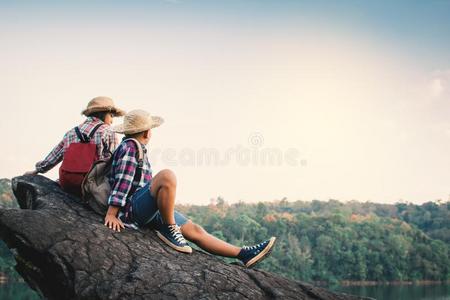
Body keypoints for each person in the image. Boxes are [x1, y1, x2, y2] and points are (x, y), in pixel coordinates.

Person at [105, 109, 276, 268]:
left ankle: (243, 254)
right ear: (147, 132)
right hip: (132, 209)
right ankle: (169, 228)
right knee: (167, 176)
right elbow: (123, 181)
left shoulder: (137, 148)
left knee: (195, 230)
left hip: (147, 209)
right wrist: (112, 213)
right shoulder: (130, 147)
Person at [25, 96, 124, 185]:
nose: (112, 120)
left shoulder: (72, 132)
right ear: (103, 114)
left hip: (67, 183)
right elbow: (113, 162)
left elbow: (55, 155)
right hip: (91, 184)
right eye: (111, 115)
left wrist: (37, 170)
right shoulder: (109, 132)